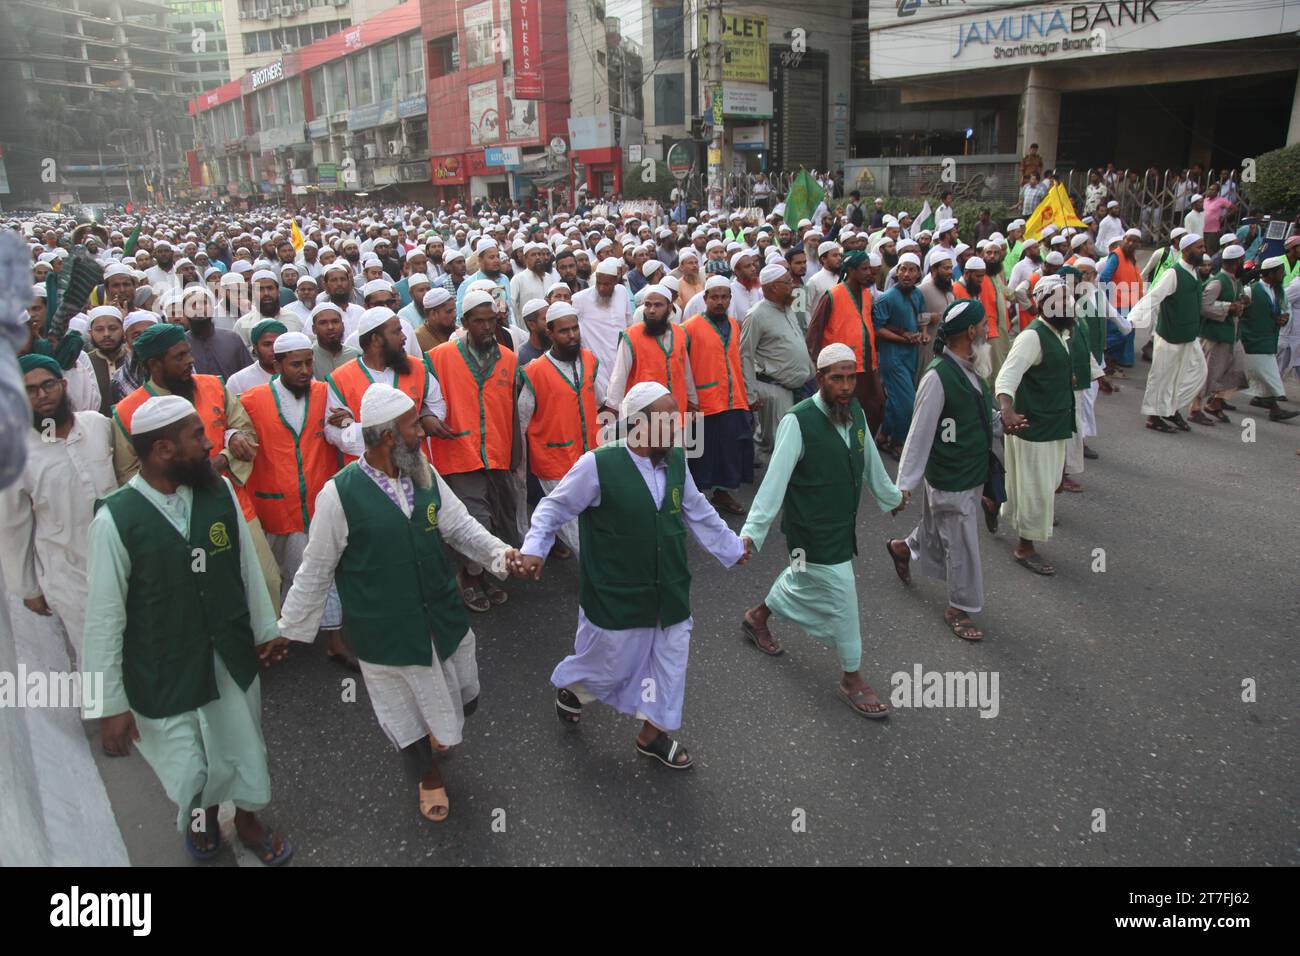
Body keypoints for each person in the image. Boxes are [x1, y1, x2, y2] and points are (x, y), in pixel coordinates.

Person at [278, 384, 524, 822]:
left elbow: (461, 528)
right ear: (389, 436)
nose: (423, 432)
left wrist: (503, 556)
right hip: (386, 633)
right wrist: (290, 629)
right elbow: (316, 569)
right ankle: (427, 777)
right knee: (404, 713)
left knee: (466, 693)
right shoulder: (339, 495)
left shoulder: (424, 473)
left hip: (443, 617)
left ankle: (438, 732)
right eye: (414, 425)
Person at [84, 395, 293, 865]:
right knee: (190, 763)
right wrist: (108, 706)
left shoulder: (218, 491)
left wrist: (265, 629)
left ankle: (247, 819)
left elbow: (246, 567)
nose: (209, 444)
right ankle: (202, 817)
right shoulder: (115, 519)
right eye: (197, 437)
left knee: (242, 744)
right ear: (163, 451)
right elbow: (102, 620)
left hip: (228, 657)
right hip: (163, 669)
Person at [514, 382, 748, 769]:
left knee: (671, 662)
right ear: (638, 424)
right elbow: (552, 510)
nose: (678, 427)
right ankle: (575, 688)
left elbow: (697, 509)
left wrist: (732, 546)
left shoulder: (675, 460)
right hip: (616, 594)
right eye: (668, 420)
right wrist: (534, 550)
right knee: (612, 666)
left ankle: (652, 736)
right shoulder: (598, 464)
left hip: (669, 588)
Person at [738, 344, 904, 718]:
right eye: (836, 378)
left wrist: (890, 496)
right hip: (806, 532)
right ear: (820, 378)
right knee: (843, 597)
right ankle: (852, 678)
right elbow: (773, 483)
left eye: (850, 378)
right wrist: (752, 533)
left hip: (840, 528)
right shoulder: (798, 421)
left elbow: (868, 459)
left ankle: (758, 616)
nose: (846, 386)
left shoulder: (855, 411)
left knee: (799, 580)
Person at [239, 332, 356, 671]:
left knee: (321, 571)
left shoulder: (325, 394)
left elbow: (340, 429)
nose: (305, 370)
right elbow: (234, 432)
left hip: (317, 503)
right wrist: (234, 436)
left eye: (308, 363)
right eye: (296, 365)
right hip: (272, 505)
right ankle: (278, 635)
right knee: (275, 577)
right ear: (276, 366)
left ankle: (334, 641)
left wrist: (346, 421)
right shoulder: (251, 400)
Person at [887, 300, 999, 641]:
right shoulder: (937, 377)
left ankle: (902, 548)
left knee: (939, 528)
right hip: (950, 476)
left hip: (972, 468)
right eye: (982, 324)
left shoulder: (972, 365)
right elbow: (919, 434)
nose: (986, 330)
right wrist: (903, 486)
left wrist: (1005, 423)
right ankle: (959, 607)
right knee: (962, 542)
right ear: (969, 331)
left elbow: (979, 413)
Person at [1, 354, 117, 668]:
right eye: (30, 390)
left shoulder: (97, 425)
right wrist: (27, 587)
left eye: (47, 385)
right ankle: (107, 716)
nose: (41, 396)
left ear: (63, 384)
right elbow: (13, 527)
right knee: (97, 658)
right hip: (69, 575)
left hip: (123, 561)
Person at [426, 290, 521, 612]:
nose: (485, 328)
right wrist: (427, 418)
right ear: (464, 322)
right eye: (478, 321)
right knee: (475, 517)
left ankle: (479, 574)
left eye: (491, 321)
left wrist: (514, 454)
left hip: (496, 447)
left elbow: (512, 410)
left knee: (497, 515)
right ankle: (470, 576)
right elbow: (424, 398)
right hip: (458, 449)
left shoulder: (508, 358)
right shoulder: (439, 356)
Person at [995, 274, 1076, 575]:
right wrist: (1007, 409)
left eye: (1069, 299)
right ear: (1043, 304)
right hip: (1033, 425)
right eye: (1061, 300)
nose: (1068, 305)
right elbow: (1007, 375)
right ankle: (1025, 547)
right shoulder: (1033, 336)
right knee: (1037, 489)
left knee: (1046, 485)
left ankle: (993, 503)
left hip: (1054, 422)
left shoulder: (1058, 333)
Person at [516, 301, 605, 555]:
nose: (572, 335)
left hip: (588, 457)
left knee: (593, 518)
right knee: (574, 527)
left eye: (575, 328)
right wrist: (520, 465)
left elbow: (598, 400)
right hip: (553, 460)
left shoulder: (589, 360)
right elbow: (522, 420)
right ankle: (597, 581)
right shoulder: (534, 372)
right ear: (550, 333)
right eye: (564, 331)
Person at [325, 307, 449, 465]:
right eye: (397, 332)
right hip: (369, 472)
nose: (404, 337)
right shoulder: (340, 378)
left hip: (416, 466)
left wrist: (427, 417)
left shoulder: (418, 368)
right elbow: (335, 432)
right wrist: (396, 435)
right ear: (376, 339)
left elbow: (437, 405)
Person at [683, 276, 754, 515]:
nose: (719, 302)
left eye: (724, 297)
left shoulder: (735, 325)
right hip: (704, 402)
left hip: (733, 398)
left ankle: (722, 493)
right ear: (705, 299)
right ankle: (697, 500)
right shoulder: (690, 327)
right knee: (702, 454)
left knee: (729, 451)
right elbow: (682, 366)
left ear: (730, 299)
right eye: (714, 297)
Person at [1131, 234, 1210, 434]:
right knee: (1162, 377)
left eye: (1203, 246)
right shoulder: (1173, 273)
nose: (1204, 250)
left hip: (1189, 336)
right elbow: (1153, 297)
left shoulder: (1195, 272)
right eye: (1199, 247)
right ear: (1186, 250)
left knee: (1195, 373)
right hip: (1169, 336)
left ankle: (1169, 408)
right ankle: (1153, 417)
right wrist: (1131, 320)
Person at [740, 264, 816, 463]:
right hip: (775, 390)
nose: (792, 285)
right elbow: (745, 356)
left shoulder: (788, 308)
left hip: (801, 388)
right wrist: (750, 394)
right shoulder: (756, 315)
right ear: (773, 287)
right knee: (777, 445)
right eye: (787, 282)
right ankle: (774, 491)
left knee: (798, 442)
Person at [806, 249, 885, 436]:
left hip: (868, 366)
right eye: (864, 269)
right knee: (842, 414)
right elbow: (813, 333)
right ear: (850, 270)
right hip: (842, 368)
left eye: (869, 269)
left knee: (877, 407)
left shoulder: (867, 295)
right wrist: (821, 366)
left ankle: (864, 447)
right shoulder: (832, 295)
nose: (869, 273)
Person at [606, 283, 696, 416]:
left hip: (678, 408)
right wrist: (613, 409)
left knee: (690, 437)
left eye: (658, 305)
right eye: (647, 305)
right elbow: (619, 375)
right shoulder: (631, 335)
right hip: (644, 414)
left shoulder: (680, 333)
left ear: (670, 307)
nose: (652, 310)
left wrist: (693, 400)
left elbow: (686, 372)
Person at [871, 252, 926, 457]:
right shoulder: (887, 297)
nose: (906, 274)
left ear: (919, 273)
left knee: (895, 401)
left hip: (911, 355)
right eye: (903, 269)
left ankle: (884, 435)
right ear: (897, 272)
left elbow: (921, 318)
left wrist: (924, 334)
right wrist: (905, 339)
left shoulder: (917, 295)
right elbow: (878, 328)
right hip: (892, 357)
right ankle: (898, 442)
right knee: (907, 402)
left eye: (912, 270)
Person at [1188, 245, 1248, 426]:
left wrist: (1242, 302)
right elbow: (1203, 306)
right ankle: (1195, 409)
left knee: (1238, 370)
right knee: (1208, 374)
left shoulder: (1235, 281)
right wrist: (1227, 307)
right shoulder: (1218, 281)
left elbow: (1237, 301)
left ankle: (1216, 403)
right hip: (1214, 336)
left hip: (1231, 335)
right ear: (1238, 262)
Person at [1240, 256, 1299, 421]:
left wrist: (1284, 318)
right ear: (1271, 273)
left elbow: (1285, 309)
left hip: (1268, 339)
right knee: (1270, 373)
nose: (1284, 274)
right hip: (1253, 339)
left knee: (1256, 375)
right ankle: (1275, 409)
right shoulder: (1250, 290)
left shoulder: (1278, 291)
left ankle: (1217, 402)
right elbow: (1238, 310)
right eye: (1281, 272)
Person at [573, 258, 634, 395]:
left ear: (615, 281)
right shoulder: (580, 299)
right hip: (596, 361)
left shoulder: (622, 292)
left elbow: (629, 324)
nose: (601, 288)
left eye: (607, 284)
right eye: (598, 283)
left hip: (620, 358)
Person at [224, 319, 285, 396]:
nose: (274, 349)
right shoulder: (238, 381)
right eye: (267, 344)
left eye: (278, 344)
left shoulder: (297, 376)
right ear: (255, 348)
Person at [310, 302, 361, 381]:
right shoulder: (309, 358)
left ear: (343, 326)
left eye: (335, 322)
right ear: (314, 329)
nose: (330, 327)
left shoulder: (355, 356)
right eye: (323, 323)